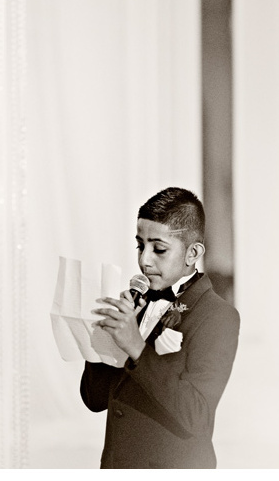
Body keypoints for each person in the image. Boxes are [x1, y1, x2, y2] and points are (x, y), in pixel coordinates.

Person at [82, 186, 240, 468]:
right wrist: (103, 342)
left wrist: (137, 348)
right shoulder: (138, 304)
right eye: (140, 246)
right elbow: (94, 400)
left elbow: (197, 416)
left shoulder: (218, 315)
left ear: (193, 253)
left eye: (159, 249)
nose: (144, 260)